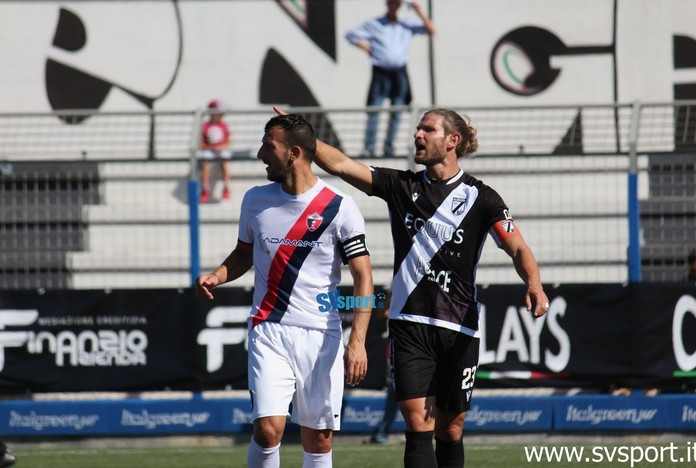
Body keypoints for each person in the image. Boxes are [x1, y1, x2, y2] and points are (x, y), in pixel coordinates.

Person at [276, 106, 549, 467]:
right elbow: (341, 165)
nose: (417, 135)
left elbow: (517, 246)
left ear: (453, 141)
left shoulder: (483, 198)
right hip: (409, 325)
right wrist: (304, 135)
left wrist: (534, 283)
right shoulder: (401, 186)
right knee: (417, 422)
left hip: (460, 326)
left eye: (427, 130)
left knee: (451, 429)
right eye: (418, 129)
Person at [195, 114, 373, 468]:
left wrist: (358, 341)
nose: (261, 153)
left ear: (293, 153)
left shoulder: (339, 207)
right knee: (268, 430)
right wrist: (218, 274)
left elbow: (363, 278)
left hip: (322, 333)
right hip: (269, 328)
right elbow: (244, 253)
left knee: (318, 439)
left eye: (268, 146)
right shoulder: (255, 200)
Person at [346, 0, 435, 157]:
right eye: (391, 2)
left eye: (397, 3)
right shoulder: (374, 23)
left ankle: (389, 147)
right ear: (387, 4)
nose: (394, 5)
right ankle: (369, 147)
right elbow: (351, 35)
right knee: (374, 110)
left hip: (399, 73)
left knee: (397, 110)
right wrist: (365, 47)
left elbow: (431, 30)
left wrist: (419, 12)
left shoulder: (406, 24)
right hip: (380, 72)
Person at [368, 289, 399, 445]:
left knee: (397, 396)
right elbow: (383, 312)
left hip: (407, 355)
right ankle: (382, 432)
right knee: (393, 395)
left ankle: (382, 432)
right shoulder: (391, 309)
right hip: (394, 356)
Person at [199, 99, 233, 203]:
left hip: (221, 149)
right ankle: (205, 188)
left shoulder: (224, 126)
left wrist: (221, 147)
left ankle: (226, 186)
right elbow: (201, 143)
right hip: (209, 150)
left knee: (225, 161)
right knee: (205, 162)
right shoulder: (205, 126)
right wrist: (209, 147)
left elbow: (228, 142)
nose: (221, 116)